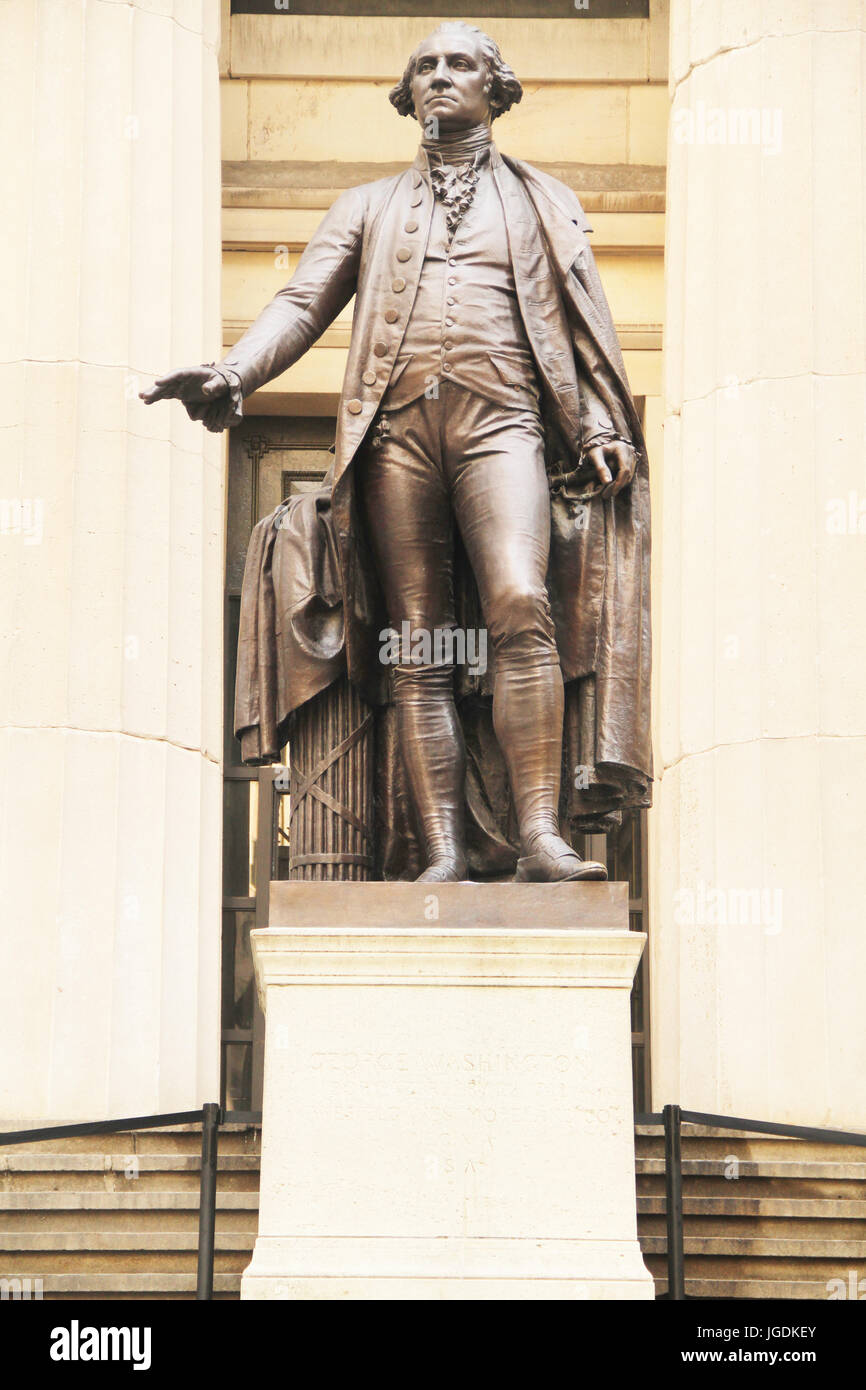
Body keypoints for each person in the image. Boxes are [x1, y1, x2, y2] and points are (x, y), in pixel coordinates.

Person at [142, 22, 652, 884]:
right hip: (396, 435)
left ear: (497, 87)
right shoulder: (368, 204)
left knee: (521, 604)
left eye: (459, 64)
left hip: (506, 424)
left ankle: (537, 836)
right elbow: (303, 302)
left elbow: (584, 327)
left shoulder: (543, 200)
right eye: (425, 66)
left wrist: (602, 422)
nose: (440, 77)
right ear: (406, 92)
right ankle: (443, 851)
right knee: (419, 644)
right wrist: (235, 373)